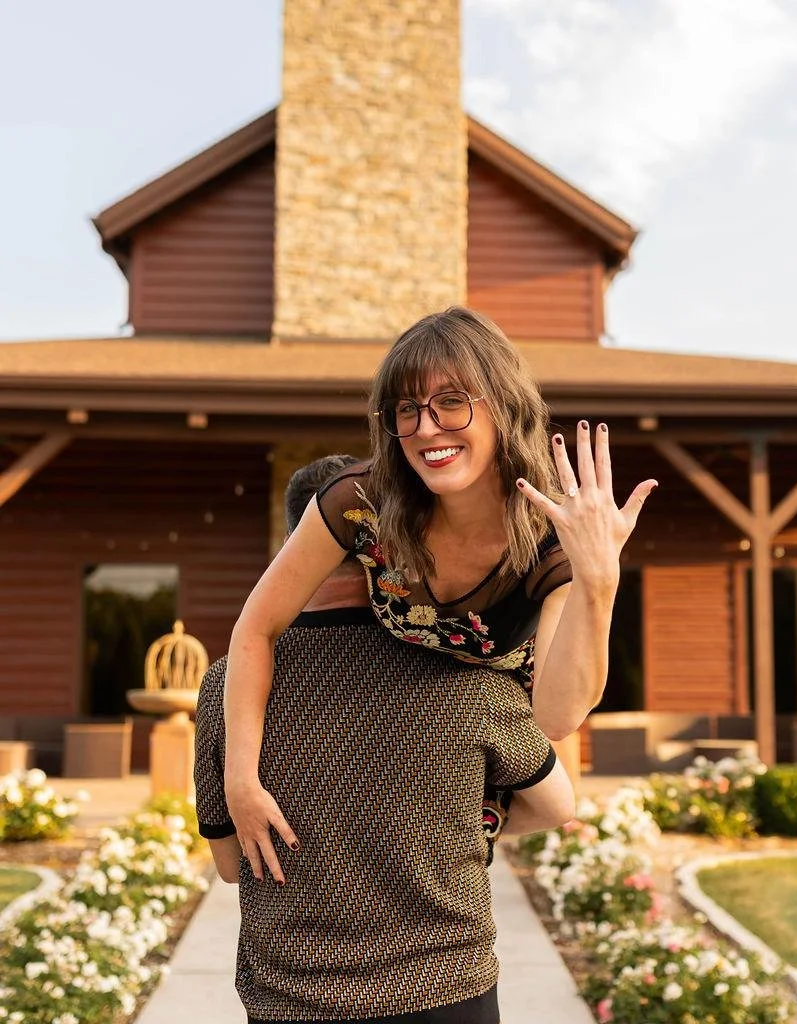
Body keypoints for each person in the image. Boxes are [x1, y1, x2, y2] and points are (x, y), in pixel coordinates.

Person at [224, 306, 658, 885]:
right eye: (407, 409)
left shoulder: (551, 536)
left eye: (452, 401)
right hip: (396, 708)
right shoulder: (360, 500)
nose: (427, 428)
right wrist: (241, 779)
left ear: (502, 405)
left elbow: (554, 718)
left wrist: (599, 579)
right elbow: (256, 627)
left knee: (558, 803)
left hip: (494, 738)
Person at [196, 454, 575, 1024]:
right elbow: (557, 805)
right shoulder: (466, 674)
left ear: (291, 546)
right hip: (446, 989)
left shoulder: (228, 685)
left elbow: (230, 863)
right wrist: (457, 825)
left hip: (291, 997)